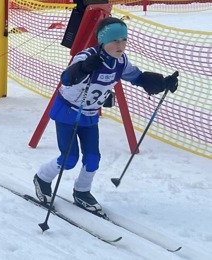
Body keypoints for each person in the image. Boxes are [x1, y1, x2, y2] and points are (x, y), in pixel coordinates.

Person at [33, 17, 179, 214]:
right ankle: (42, 178)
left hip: (90, 115)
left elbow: (139, 78)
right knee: (69, 158)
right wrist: (85, 67)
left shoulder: (121, 62)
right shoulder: (86, 57)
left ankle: (82, 191)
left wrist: (162, 83)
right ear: (102, 41)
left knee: (93, 158)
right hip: (69, 112)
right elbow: (66, 79)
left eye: (123, 40)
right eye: (114, 41)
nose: (120, 45)